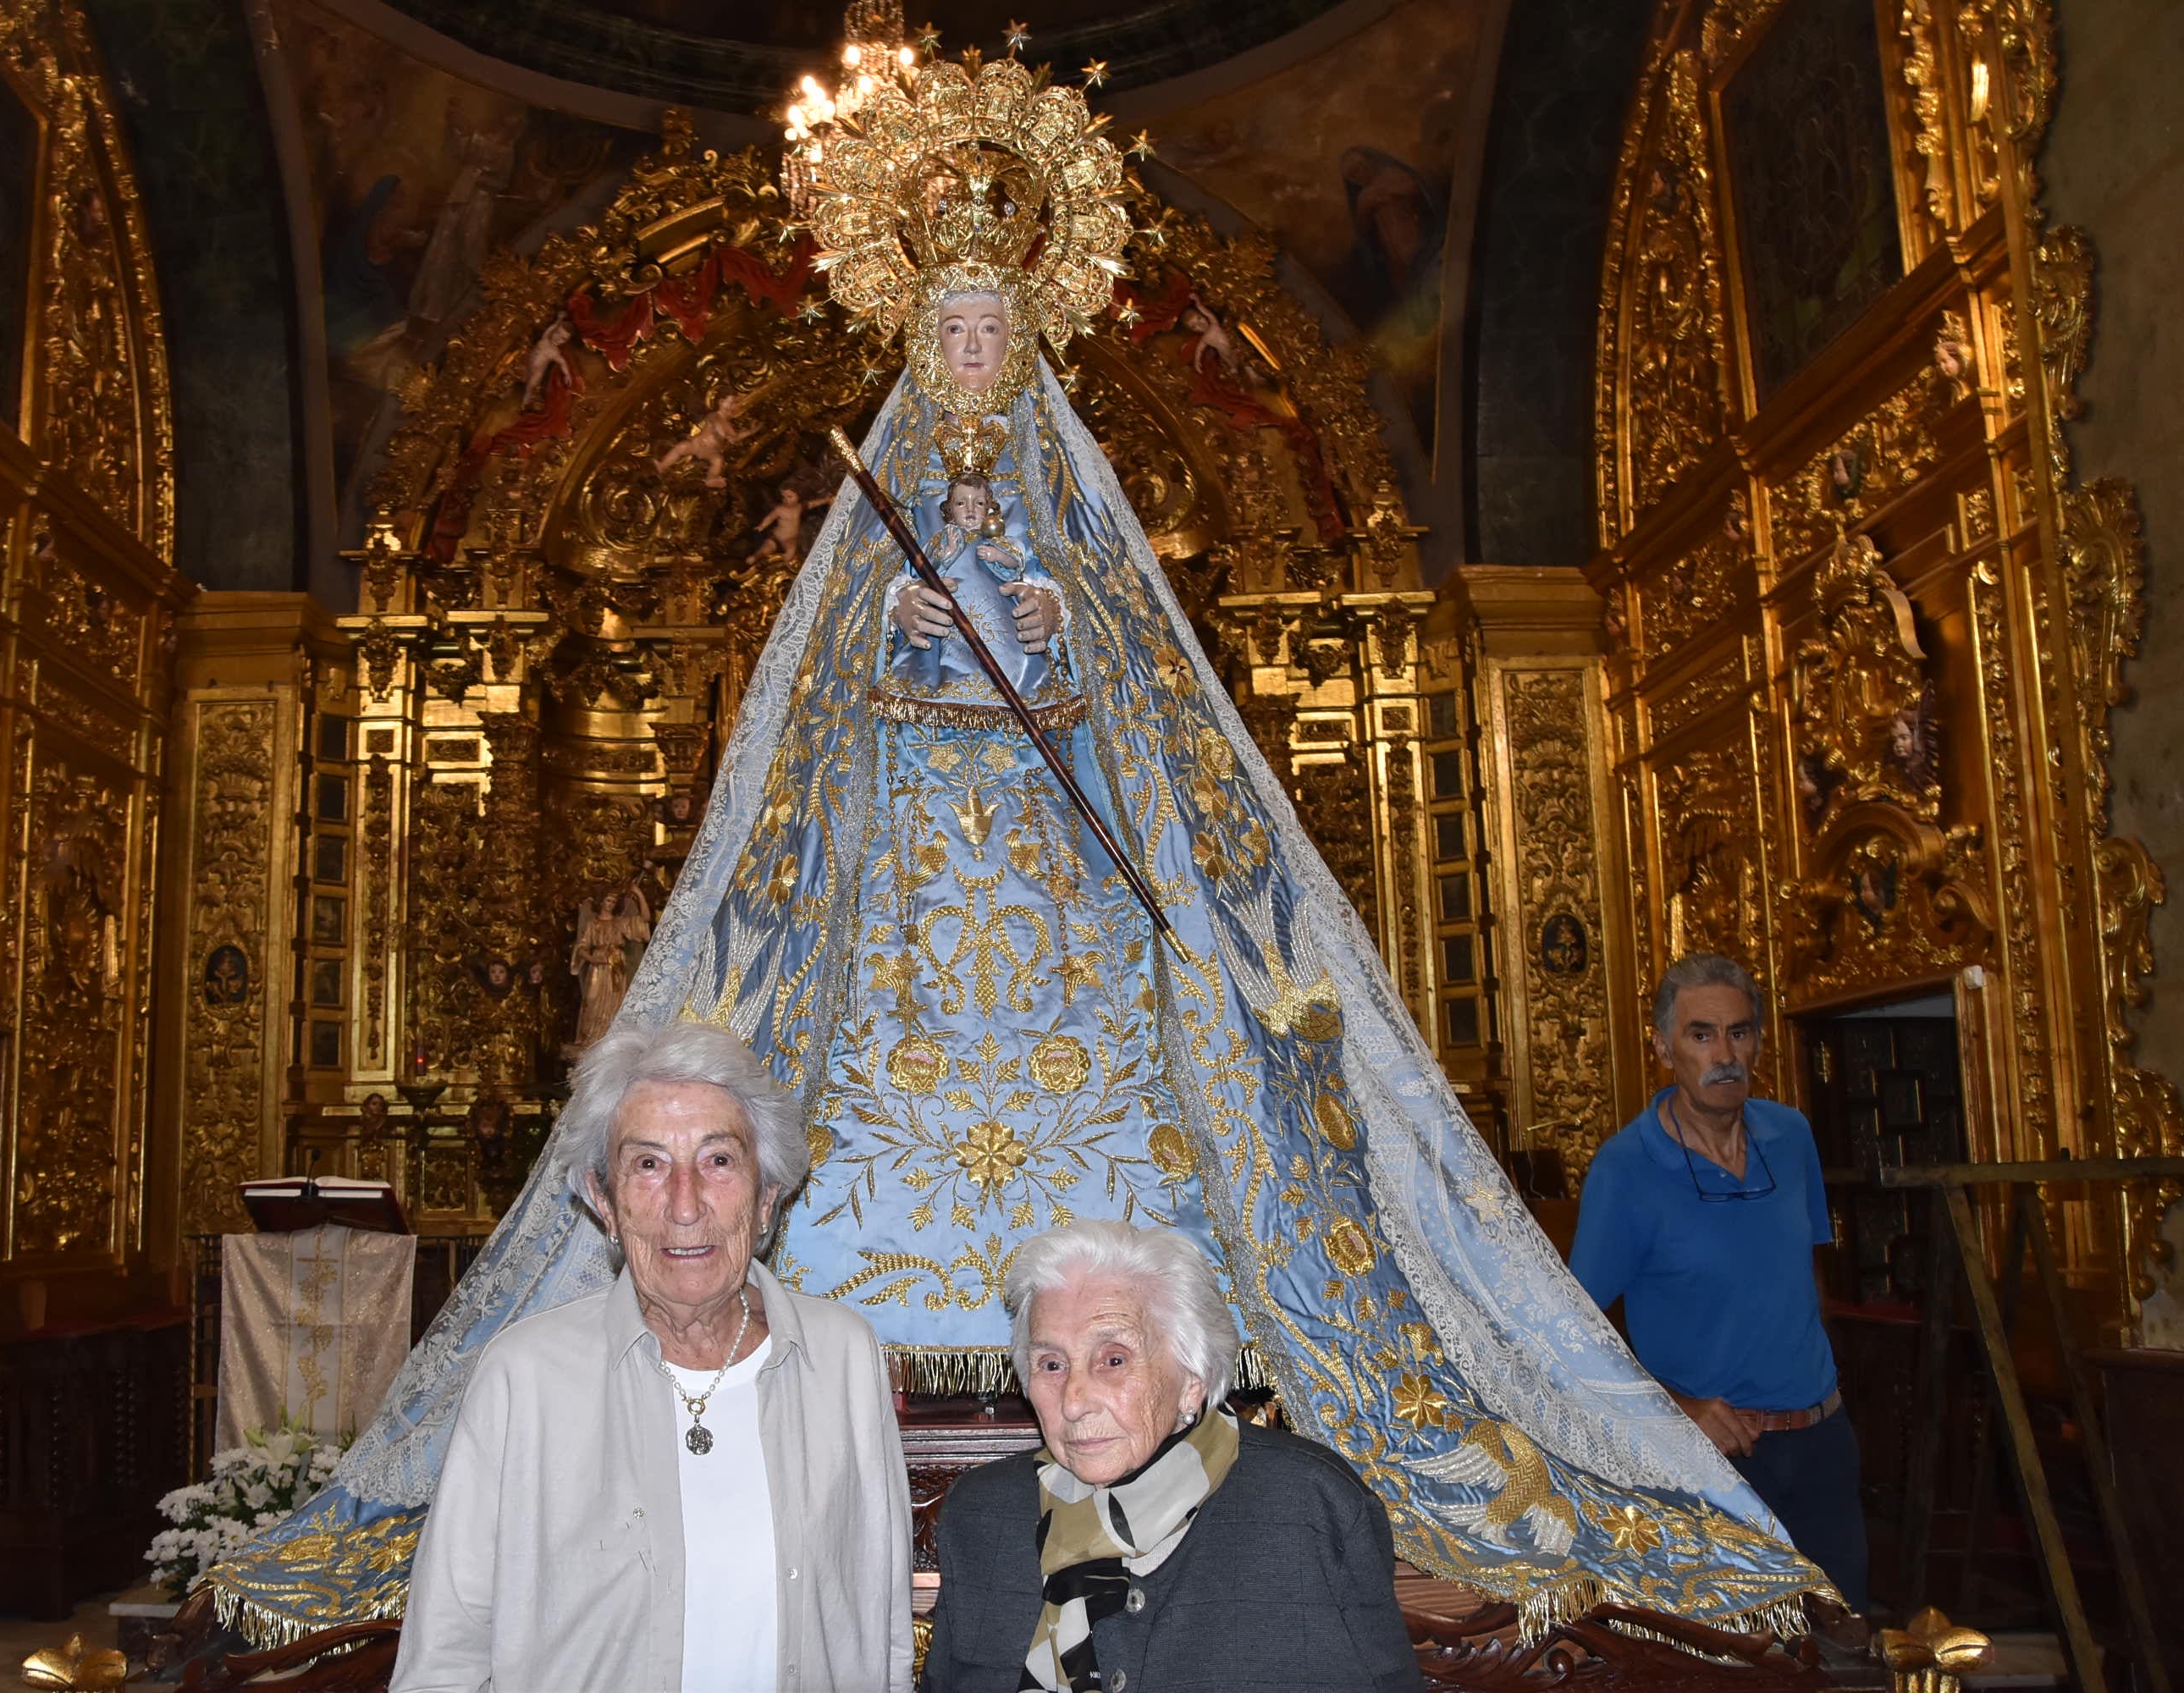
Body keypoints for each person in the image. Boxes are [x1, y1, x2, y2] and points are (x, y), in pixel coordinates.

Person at [207, 47, 1823, 1647]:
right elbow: (798, 769)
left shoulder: (1086, 545)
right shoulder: (866, 542)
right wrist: (883, 646)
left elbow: (1163, 737)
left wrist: (1068, 642)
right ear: (921, 346)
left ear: (1023, 341)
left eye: (994, 330)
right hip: (905, 913)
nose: (974, 354)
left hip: (1061, 910)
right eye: (951, 332)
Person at [388, 1022, 913, 1692]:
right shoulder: (525, 1378)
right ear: (604, 1202)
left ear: (766, 1198)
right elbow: (446, 1656)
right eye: (648, 1164)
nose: (685, 1205)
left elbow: (885, 1626)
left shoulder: (843, 1357)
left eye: (718, 1161)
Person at [924, 1221, 1422, 1693]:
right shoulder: (983, 1515)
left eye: (1113, 1360)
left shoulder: (1309, 1506)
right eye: (1052, 1365)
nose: (1073, 1401)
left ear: (1192, 1379)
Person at [1569, 953, 1869, 1609]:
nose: (1724, 1053)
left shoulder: (1792, 1138)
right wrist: (1676, 1407)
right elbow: (1573, 1332)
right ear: (1663, 1047)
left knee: (1846, 1644)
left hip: (1822, 1444)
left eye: (1740, 1032)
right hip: (1715, 1462)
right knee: (1739, 1658)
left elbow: (1802, 1276)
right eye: (1701, 1035)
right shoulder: (1625, 1171)